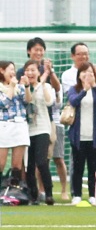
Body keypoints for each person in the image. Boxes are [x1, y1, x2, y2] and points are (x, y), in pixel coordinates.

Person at [66, 62, 96, 206]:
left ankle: (92, 194)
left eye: (90, 72)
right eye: (84, 72)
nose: (87, 75)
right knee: (78, 167)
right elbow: (73, 101)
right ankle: (76, 194)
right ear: (79, 75)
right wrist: (84, 90)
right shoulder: (74, 89)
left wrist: (94, 86)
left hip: (94, 135)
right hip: (78, 135)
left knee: (93, 167)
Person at [21, 60, 55, 204]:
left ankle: (48, 193)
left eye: (33, 70)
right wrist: (27, 86)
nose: (30, 73)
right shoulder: (21, 87)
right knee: (29, 165)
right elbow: (27, 99)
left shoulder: (46, 86)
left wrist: (43, 82)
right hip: (27, 130)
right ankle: (33, 194)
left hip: (42, 129)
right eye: (27, 70)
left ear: (38, 72)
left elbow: (49, 102)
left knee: (41, 162)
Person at [0, 60, 31, 189]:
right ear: (2, 70)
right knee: (1, 163)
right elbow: (4, 104)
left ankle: (14, 191)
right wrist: (11, 87)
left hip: (20, 126)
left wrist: (27, 87)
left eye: (14, 69)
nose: (13, 72)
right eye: (10, 69)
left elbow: (27, 101)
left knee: (17, 164)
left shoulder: (19, 87)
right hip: (4, 126)